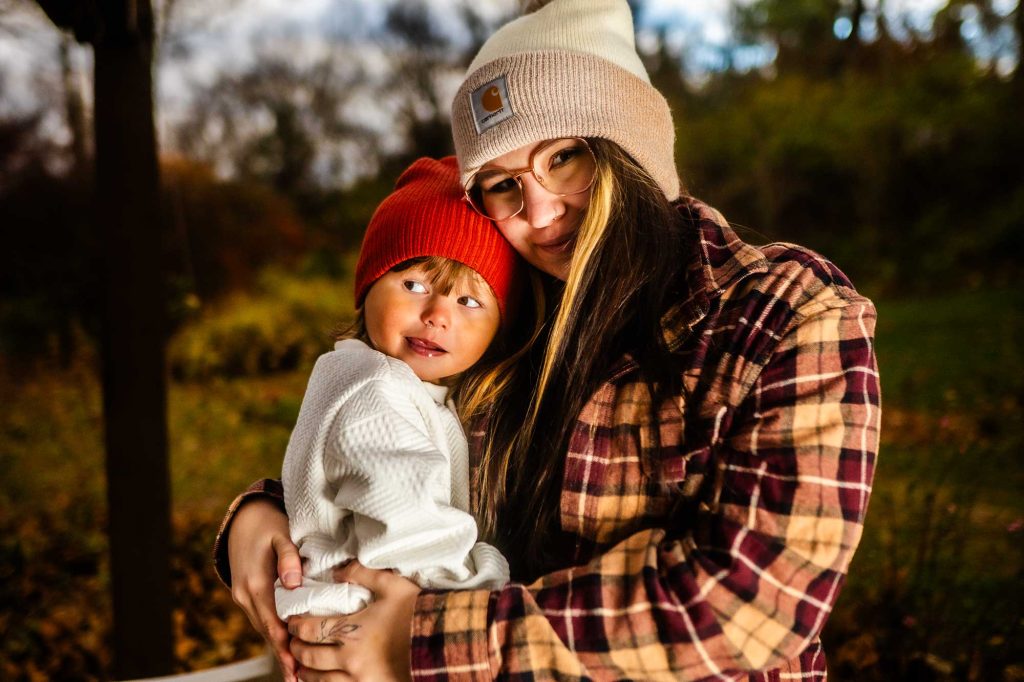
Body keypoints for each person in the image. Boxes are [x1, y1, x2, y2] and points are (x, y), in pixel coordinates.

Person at [214, 0, 881, 680]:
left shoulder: (786, 315)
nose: (539, 213)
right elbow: (395, 442)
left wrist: (420, 643)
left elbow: (751, 606)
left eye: (563, 157)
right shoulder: (512, 317)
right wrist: (263, 514)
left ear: (634, 148)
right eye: (504, 185)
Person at [273, 156, 521, 622]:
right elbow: (407, 531)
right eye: (413, 283)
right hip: (367, 613)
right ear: (369, 285)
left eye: (469, 300)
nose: (437, 315)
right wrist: (483, 597)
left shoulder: (371, 377)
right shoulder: (376, 391)